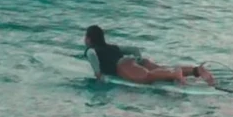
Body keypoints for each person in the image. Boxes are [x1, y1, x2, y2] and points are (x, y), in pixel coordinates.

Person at [84, 25, 214, 86]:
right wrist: (138, 60)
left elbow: (91, 54)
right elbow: (134, 49)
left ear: (89, 39)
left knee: (148, 77)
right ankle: (196, 70)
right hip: (132, 61)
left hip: (123, 66)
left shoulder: (91, 49)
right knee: (162, 69)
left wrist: (99, 75)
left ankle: (176, 74)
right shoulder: (112, 47)